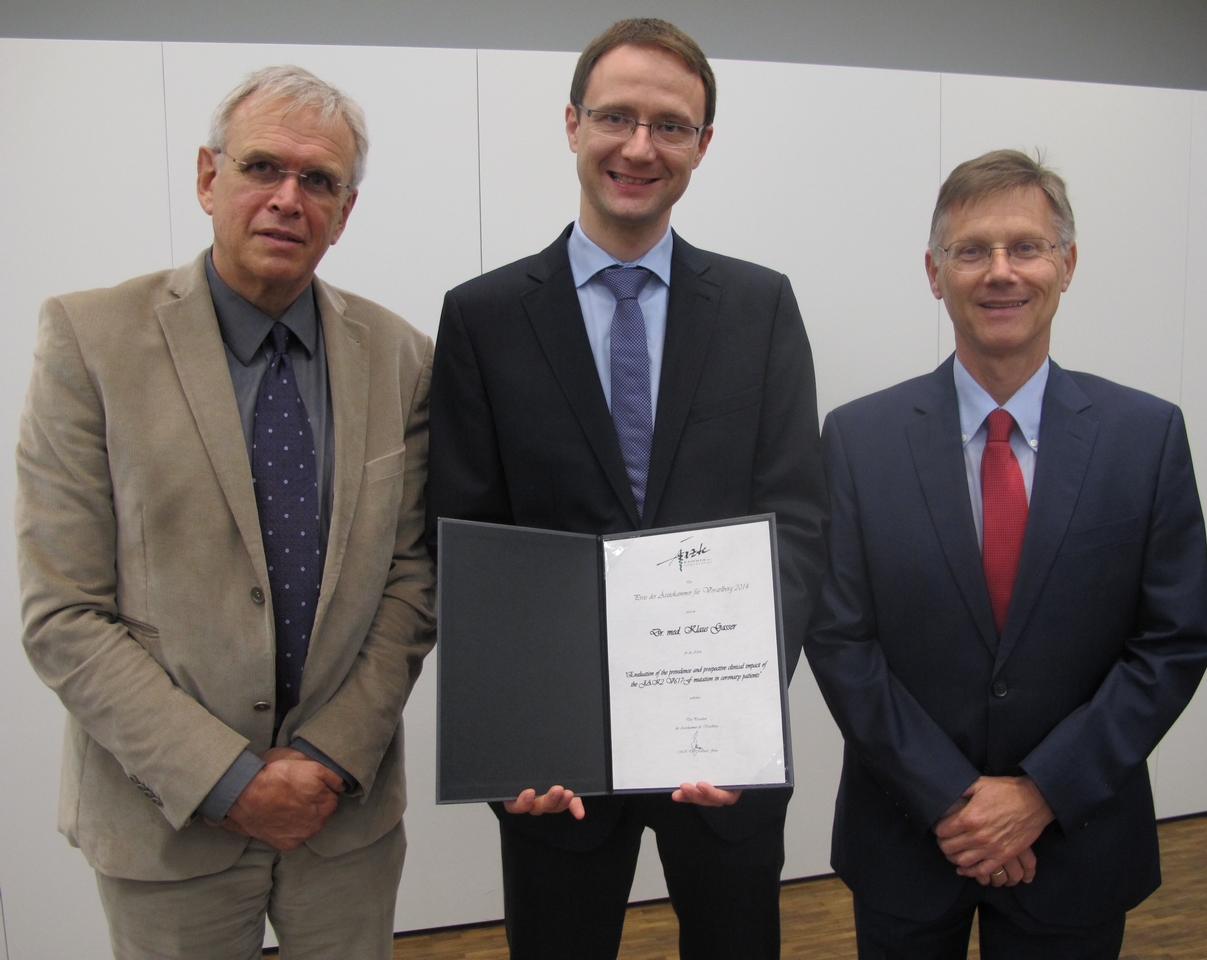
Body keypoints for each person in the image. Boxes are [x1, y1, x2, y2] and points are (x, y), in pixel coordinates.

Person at [426, 18, 826, 960]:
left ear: (703, 145)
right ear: (572, 124)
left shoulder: (761, 307)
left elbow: (798, 525)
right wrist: (507, 737)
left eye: (671, 124)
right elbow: (463, 535)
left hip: (718, 758)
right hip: (553, 767)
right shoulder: (482, 317)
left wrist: (743, 714)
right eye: (616, 116)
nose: (639, 147)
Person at [16, 65, 434, 960]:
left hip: (344, 818)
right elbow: (64, 612)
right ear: (209, 178)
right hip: (165, 819)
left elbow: (413, 579)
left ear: (346, 210)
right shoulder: (89, 341)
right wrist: (227, 779)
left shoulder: (402, 355)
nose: (289, 198)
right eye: (262, 168)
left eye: (318, 180)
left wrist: (325, 760)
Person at [805, 149, 1207, 959]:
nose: (1001, 273)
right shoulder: (858, 439)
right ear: (933, 272)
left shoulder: (1146, 436)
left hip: (1078, 841)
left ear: (1066, 264)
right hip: (906, 839)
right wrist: (953, 799)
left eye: (1025, 247)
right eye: (972, 250)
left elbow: (1172, 643)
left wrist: (1040, 794)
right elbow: (840, 640)